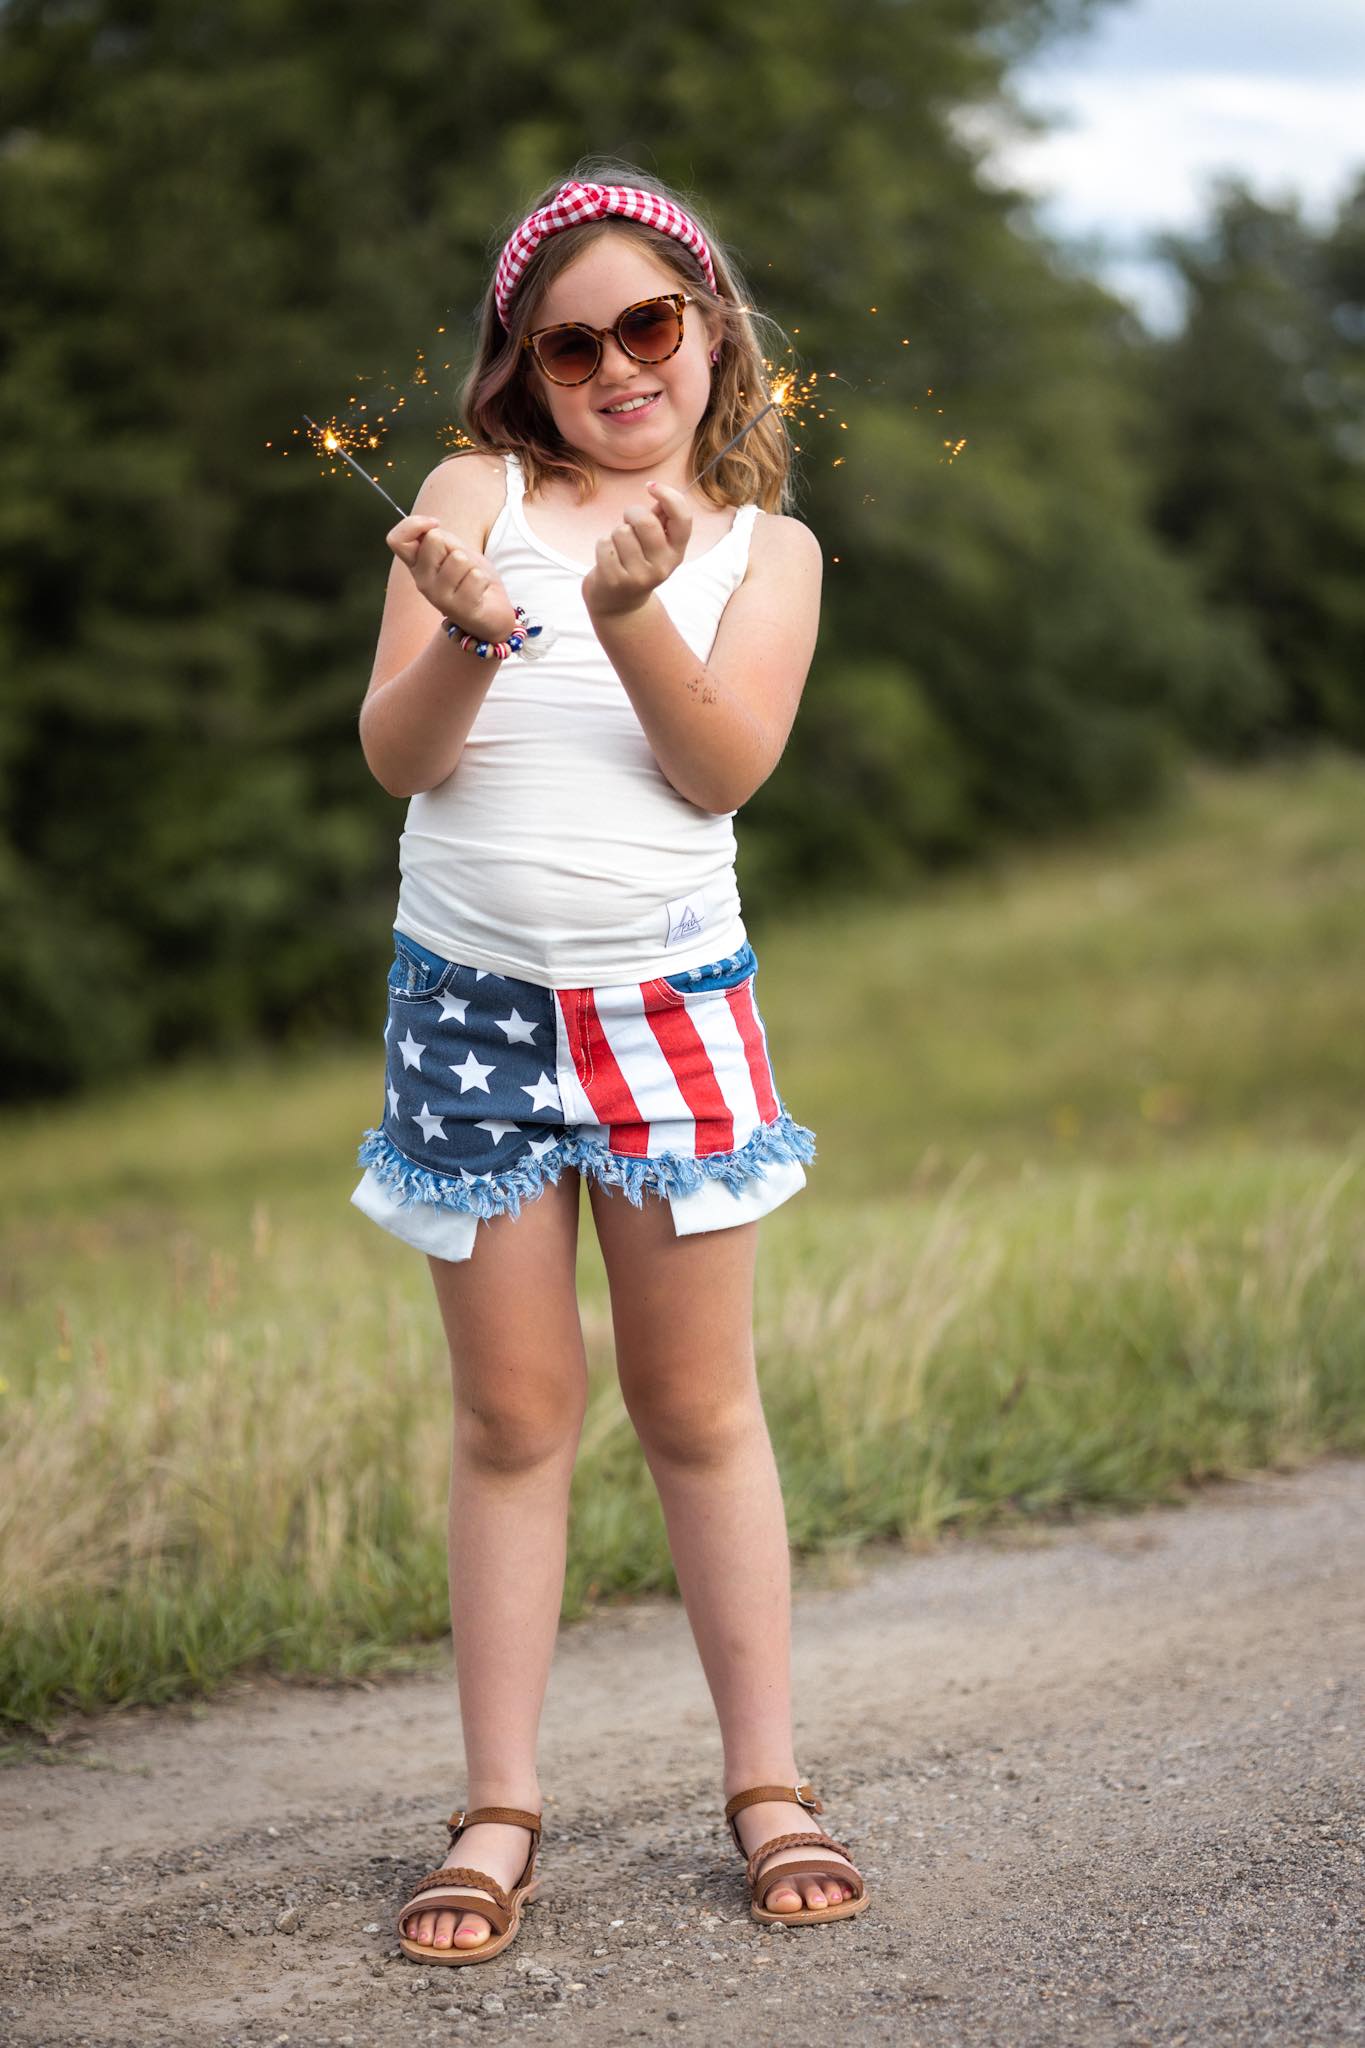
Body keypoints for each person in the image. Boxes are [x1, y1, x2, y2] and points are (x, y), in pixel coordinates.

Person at [351, 161, 871, 1966]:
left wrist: (633, 612)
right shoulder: (470, 495)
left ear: (711, 328)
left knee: (697, 1411)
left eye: (648, 325)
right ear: (524, 370)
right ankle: (497, 1807)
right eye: (569, 345)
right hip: (473, 1010)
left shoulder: (764, 549)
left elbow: (721, 772)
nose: (615, 367)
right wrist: (480, 631)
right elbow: (397, 759)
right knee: (511, 1421)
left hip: (666, 1011)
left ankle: (768, 1783)